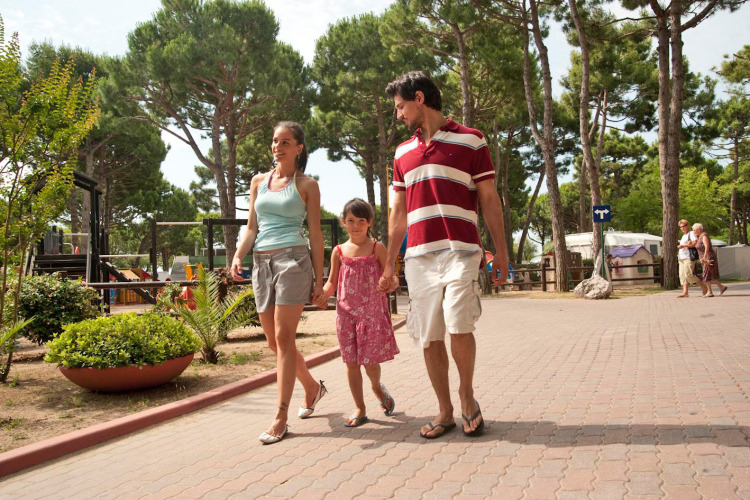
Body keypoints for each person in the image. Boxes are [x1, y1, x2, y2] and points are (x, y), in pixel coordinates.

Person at [377, 71, 509, 439]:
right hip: (419, 257)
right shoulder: (402, 153)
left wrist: (500, 251)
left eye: (400, 107)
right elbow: (398, 213)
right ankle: (445, 410)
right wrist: (389, 264)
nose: (398, 114)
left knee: (458, 323)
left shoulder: (471, 140)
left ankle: (467, 397)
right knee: (430, 335)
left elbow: (489, 199)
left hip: (461, 250)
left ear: (419, 99)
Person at [230, 121, 327, 444]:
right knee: (275, 343)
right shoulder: (258, 181)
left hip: (293, 261)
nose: (277, 146)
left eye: (285, 142)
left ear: (299, 148)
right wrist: (238, 255)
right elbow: (251, 228)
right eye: (275, 141)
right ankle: (312, 387)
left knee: (285, 339)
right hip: (261, 263)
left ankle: (280, 417)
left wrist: (320, 280)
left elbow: (315, 235)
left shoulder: (307, 185)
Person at [315, 198, 400, 427]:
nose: (356, 226)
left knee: (370, 364)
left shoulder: (377, 248)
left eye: (361, 221)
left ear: (369, 222)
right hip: (346, 316)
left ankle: (377, 388)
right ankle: (360, 408)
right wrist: (323, 294)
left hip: (371, 315)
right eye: (351, 221)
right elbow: (332, 282)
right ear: (343, 222)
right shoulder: (338, 251)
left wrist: (389, 282)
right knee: (351, 363)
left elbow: (391, 278)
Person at [692, 223, 728, 298]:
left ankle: (710, 292)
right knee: (709, 275)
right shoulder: (699, 237)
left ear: (699, 229)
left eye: (694, 230)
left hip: (708, 257)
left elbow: (707, 246)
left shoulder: (704, 235)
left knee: (706, 274)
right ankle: (721, 287)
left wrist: (705, 256)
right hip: (704, 258)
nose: (693, 232)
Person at [676, 219, 706, 298]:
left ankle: (704, 287)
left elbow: (695, 243)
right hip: (681, 257)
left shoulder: (691, 233)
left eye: (683, 226)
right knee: (682, 275)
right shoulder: (683, 236)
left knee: (688, 274)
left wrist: (684, 245)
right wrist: (684, 246)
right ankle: (685, 292)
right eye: (681, 227)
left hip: (688, 257)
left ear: (687, 226)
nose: (682, 228)